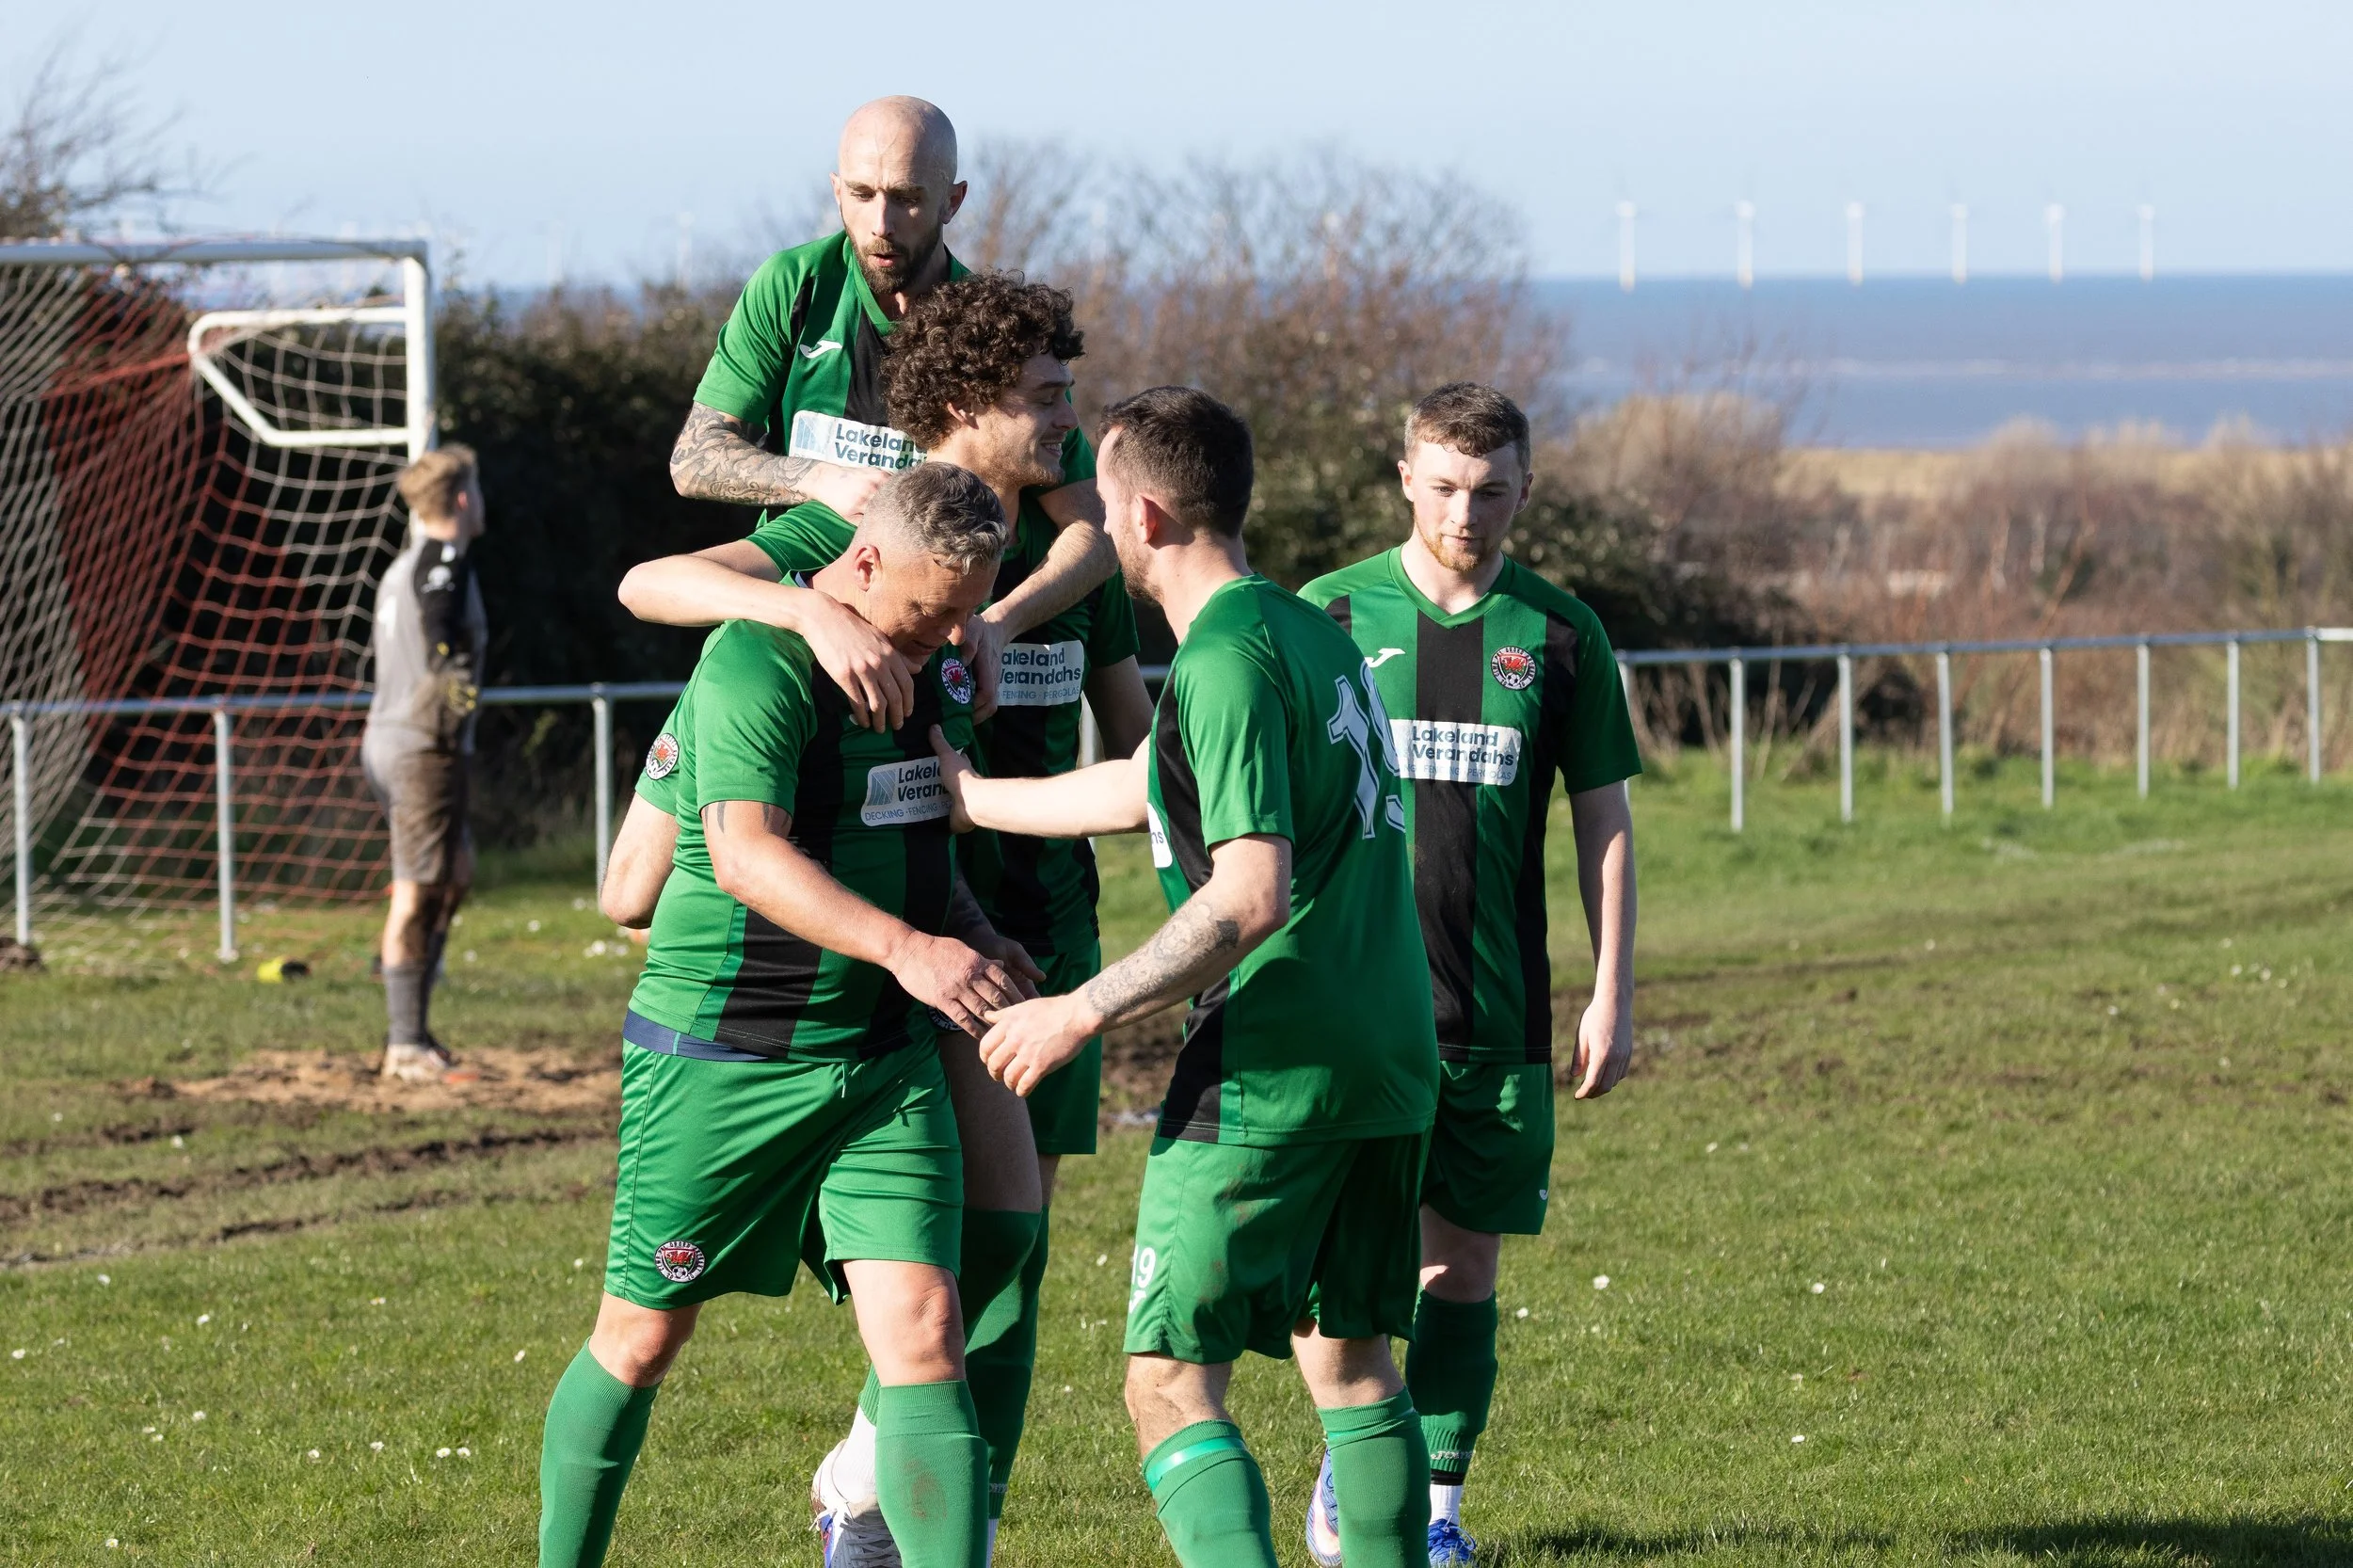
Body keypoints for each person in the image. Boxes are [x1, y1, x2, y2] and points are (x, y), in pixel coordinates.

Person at [608, 272, 1156, 1565]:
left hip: (1030, 923)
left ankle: (906, 1503)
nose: (1070, 419)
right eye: (1046, 397)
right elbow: (661, 590)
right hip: (886, 937)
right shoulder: (873, 529)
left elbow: (1144, 749)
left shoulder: (1072, 562)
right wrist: (795, 607)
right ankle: (885, 1510)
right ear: (970, 404)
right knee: (943, 1268)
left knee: (1009, 1262)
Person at [929, 387, 1441, 1568]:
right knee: (1349, 1352)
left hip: (1278, 1057)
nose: (1090, 529)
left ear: (1145, 514)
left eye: (1099, 504)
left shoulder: (1219, 658)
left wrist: (1080, 1006)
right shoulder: (1304, 624)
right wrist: (974, 799)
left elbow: (1246, 894)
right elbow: (1154, 784)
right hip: (1389, 1045)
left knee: (1167, 1382)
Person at [536, 463, 1026, 1568]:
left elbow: (907, 841)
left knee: (926, 1334)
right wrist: (910, 948)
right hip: (724, 1058)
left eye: (965, 612)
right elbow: (748, 855)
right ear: (859, 562)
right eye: (927, 609)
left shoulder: (930, 670)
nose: (948, 637)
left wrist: (969, 927)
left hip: (878, 1061)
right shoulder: (758, 664)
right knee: (644, 1336)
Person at [1297, 382, 1641, 1567]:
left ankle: (1435, 1511)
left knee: (1461, 1266)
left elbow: (1603, 820)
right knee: (1348, 1261)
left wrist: (1612, 989)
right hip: (1348, 1010)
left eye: (1492, 490)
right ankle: (1354, 1466)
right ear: (1404, 479)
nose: (1466, 512)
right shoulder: (1326, 612)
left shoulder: (1559, 633)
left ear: (1525, 492)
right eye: (1444, 486)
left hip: (1495, 1008)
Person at [657, 94, 1114, 727]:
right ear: (836, 189)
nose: (880, 222)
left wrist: (1000, 623)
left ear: (952, 201)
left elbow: (1093, 531)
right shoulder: (795, 286)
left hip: (925, 670)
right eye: (862, 194)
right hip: (786, 645)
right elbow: (693, 462)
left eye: (907, 198)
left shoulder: (988, 332)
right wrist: (816, 478)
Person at [362, 444, 488, 1082]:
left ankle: (411, 1014)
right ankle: (405, 1043)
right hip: (421, 748)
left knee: (456, 870)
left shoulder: (400, 565)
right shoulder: (443, 560)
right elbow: (440, 622)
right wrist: (452, 675)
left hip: (393, 741)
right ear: (464, 498)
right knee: (415, 893)